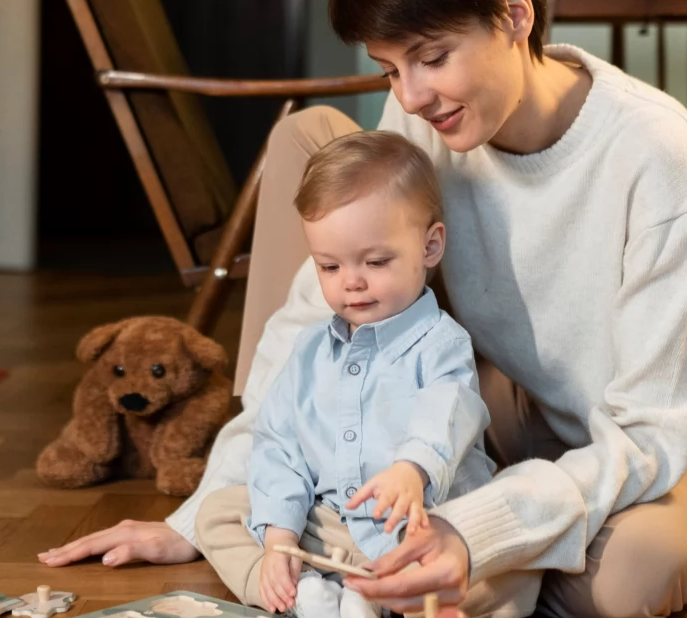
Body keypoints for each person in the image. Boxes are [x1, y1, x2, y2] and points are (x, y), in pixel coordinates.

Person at [38, 0, 687, 615]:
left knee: (637, 575)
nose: (411, 95)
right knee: (315, 143)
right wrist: (196, 518)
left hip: (632, 455)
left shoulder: (654, 154)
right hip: (475, 412)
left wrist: (474, 533)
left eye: (433, 58)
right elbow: (311, 330)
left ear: (514, 15)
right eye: (389, 69)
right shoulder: (423, 112)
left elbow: (652, 433)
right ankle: (363, 554)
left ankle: (391, 565)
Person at [219, 130, 540, 618]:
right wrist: (280, 539)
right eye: (329, 266)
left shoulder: (441, 345)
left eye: (376, 261)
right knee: (222, 514)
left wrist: (411, 471)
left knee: (516, 568)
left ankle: (377, 595)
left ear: (430, 247)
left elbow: (446, 413)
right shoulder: (308, 352)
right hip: (329, 530)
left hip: (421, 527)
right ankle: (299, 587)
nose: (352, 282)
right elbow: (279, 446)